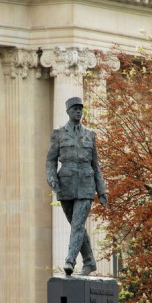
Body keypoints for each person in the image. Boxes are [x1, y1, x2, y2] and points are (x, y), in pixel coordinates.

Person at [46, 96, 108, 276]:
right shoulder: (58, 134)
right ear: (68, 111)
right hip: (65, 185)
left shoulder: (90, 135)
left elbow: (96, 165)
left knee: (77, 224)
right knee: (76, 225)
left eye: (80, 108)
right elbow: (50, 160)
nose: (78, 111)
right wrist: (51, 179)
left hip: (86, 185)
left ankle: (70, 261)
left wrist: (101, 190)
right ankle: (89, 261)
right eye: (75, 109)